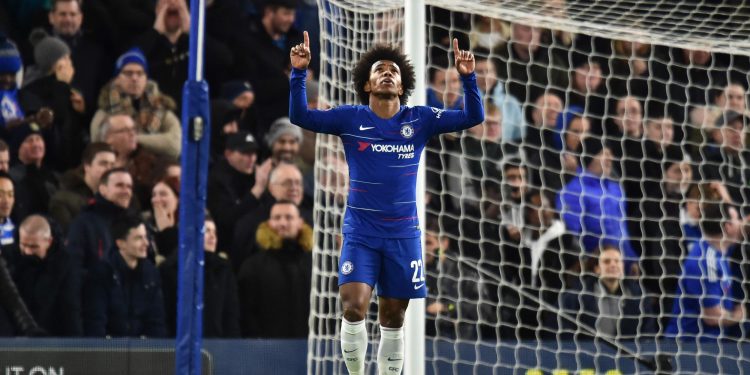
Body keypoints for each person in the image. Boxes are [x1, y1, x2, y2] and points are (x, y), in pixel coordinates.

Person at [289, 33, 483, 375]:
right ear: (367, 83)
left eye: (394, 70)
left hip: (403, 236)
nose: (388, 73)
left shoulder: (419, 119)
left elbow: (472, 117)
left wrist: (468, 77)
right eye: (380, 70)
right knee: (353, 307)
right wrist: (299, 73)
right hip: (361, 232)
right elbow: (302, 117)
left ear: (402, 84)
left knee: (393, 317)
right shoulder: (350, 119)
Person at [666, 201, 744, 339]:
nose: (741, 223)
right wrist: (739, 315)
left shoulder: (719, 250)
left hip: (708, 345)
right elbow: (712, 316)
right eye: (737, 219)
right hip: (690, 346)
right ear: (728, 227)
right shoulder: (708, 262)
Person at [82, 215, 166, 337]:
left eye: (146, 237)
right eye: (138, 238)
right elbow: (95, 322)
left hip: (143, 351)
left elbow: (157, 322)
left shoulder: (151, 273)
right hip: (110, 350)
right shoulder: (101, 273)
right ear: (121, 244)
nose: (146, 243)